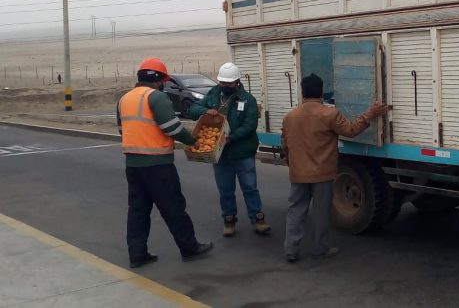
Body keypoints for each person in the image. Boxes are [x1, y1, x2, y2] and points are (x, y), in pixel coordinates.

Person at [281, 73, 388, 263]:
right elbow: (351, 130)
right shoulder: (329, 114)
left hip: (298, 173)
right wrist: (370, 114)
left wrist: (292, 165)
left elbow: (285, 145)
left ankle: (291, 249)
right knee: (321, 213)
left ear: (303, 92)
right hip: (323, 173)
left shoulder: (290, 117)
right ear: (321, 92)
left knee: (296, 211)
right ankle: (319, 249)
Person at [117, 58, 213, 268]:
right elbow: (173, 128)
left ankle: (138, 254)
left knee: (138, 211)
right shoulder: (157, 97)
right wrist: (194, 142)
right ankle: (189, 247)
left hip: (133, 165)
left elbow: (122, 131)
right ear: (158, 79)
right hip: (157, 165)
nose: (164, 84)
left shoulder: (124, 99)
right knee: (173, 207)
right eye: (163, 80)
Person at [189, 62, 271, 237]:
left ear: (237, 82)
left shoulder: (248, 100)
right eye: (223, 83)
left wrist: (230, 138)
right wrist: (206, 110)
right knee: (225, 189)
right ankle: (229, 220)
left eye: (229, 83)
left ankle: (258, 219)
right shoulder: (213, 94)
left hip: (242, 153)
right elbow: (193, 109)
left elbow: (250, 125)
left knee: (250, 188)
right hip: (221, 154)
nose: (225, 86)